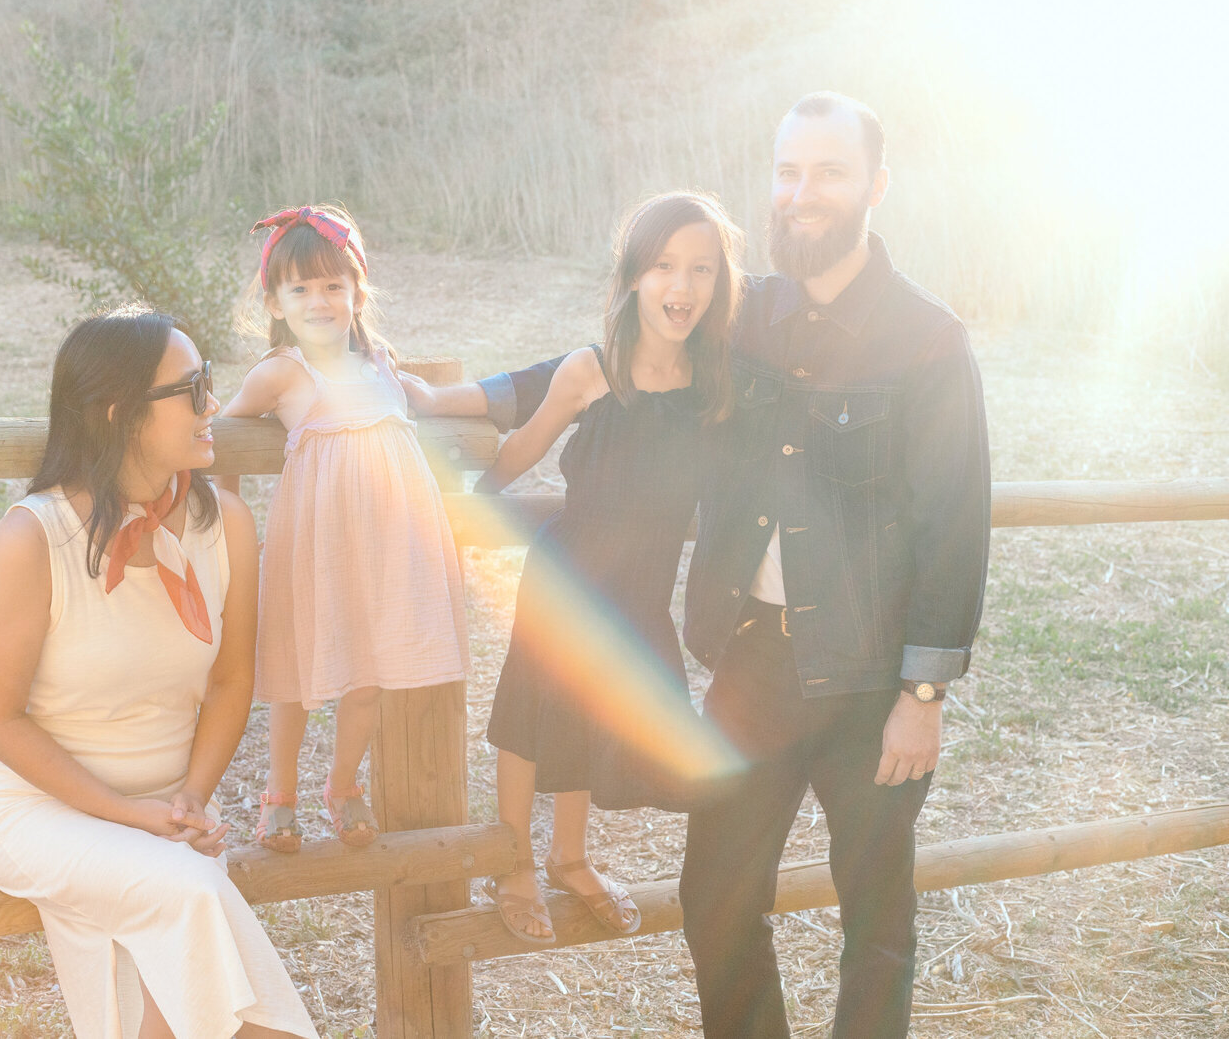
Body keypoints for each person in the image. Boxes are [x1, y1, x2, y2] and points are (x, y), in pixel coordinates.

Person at [408, 93, 990, 1038]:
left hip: (870, 673)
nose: (803, 193)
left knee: (876, 915)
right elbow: (603, 354)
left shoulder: (927, 337)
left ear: (876, 186)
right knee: (715, 895)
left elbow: (957, 516)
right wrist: (450, 396)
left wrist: (923, 694)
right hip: (753, 659)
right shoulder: (737, 308)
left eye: (829, 172)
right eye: (788, 171)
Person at [406, 191, 748, 945]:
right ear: (632, 276)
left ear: (721, 282)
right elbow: (520, 449)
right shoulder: (590, 371)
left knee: (600, 708)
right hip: (567, 576)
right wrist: (462, 514)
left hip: (643, 588)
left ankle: (569, 854)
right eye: (663, 266)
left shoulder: (715, 385)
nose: (681, 287)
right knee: (532, 714)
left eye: (700, 269)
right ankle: (512, 858)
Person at [0, 306, 317, 1039]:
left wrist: (190, 796)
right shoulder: (31, 539)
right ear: (121, 414)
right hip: (41, 810)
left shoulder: (225, 525)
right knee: (190, 892)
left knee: (175, 940)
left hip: (168, 805)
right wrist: (130, 816)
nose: (212, 405)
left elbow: (230, 680)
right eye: (191, 390)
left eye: (209, 384)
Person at [222, 205, 468, 852]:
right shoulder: (281, 373)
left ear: (358, 291)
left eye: (334, 284)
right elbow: (218, 434)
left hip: (389, 546)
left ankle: (342, 782)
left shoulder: (381, 367)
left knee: (371, 671)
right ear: (275, 300)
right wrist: (226, 507)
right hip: (318, 547)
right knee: (298, 672)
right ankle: (280, 794)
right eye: (300, 288)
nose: (319, 300)